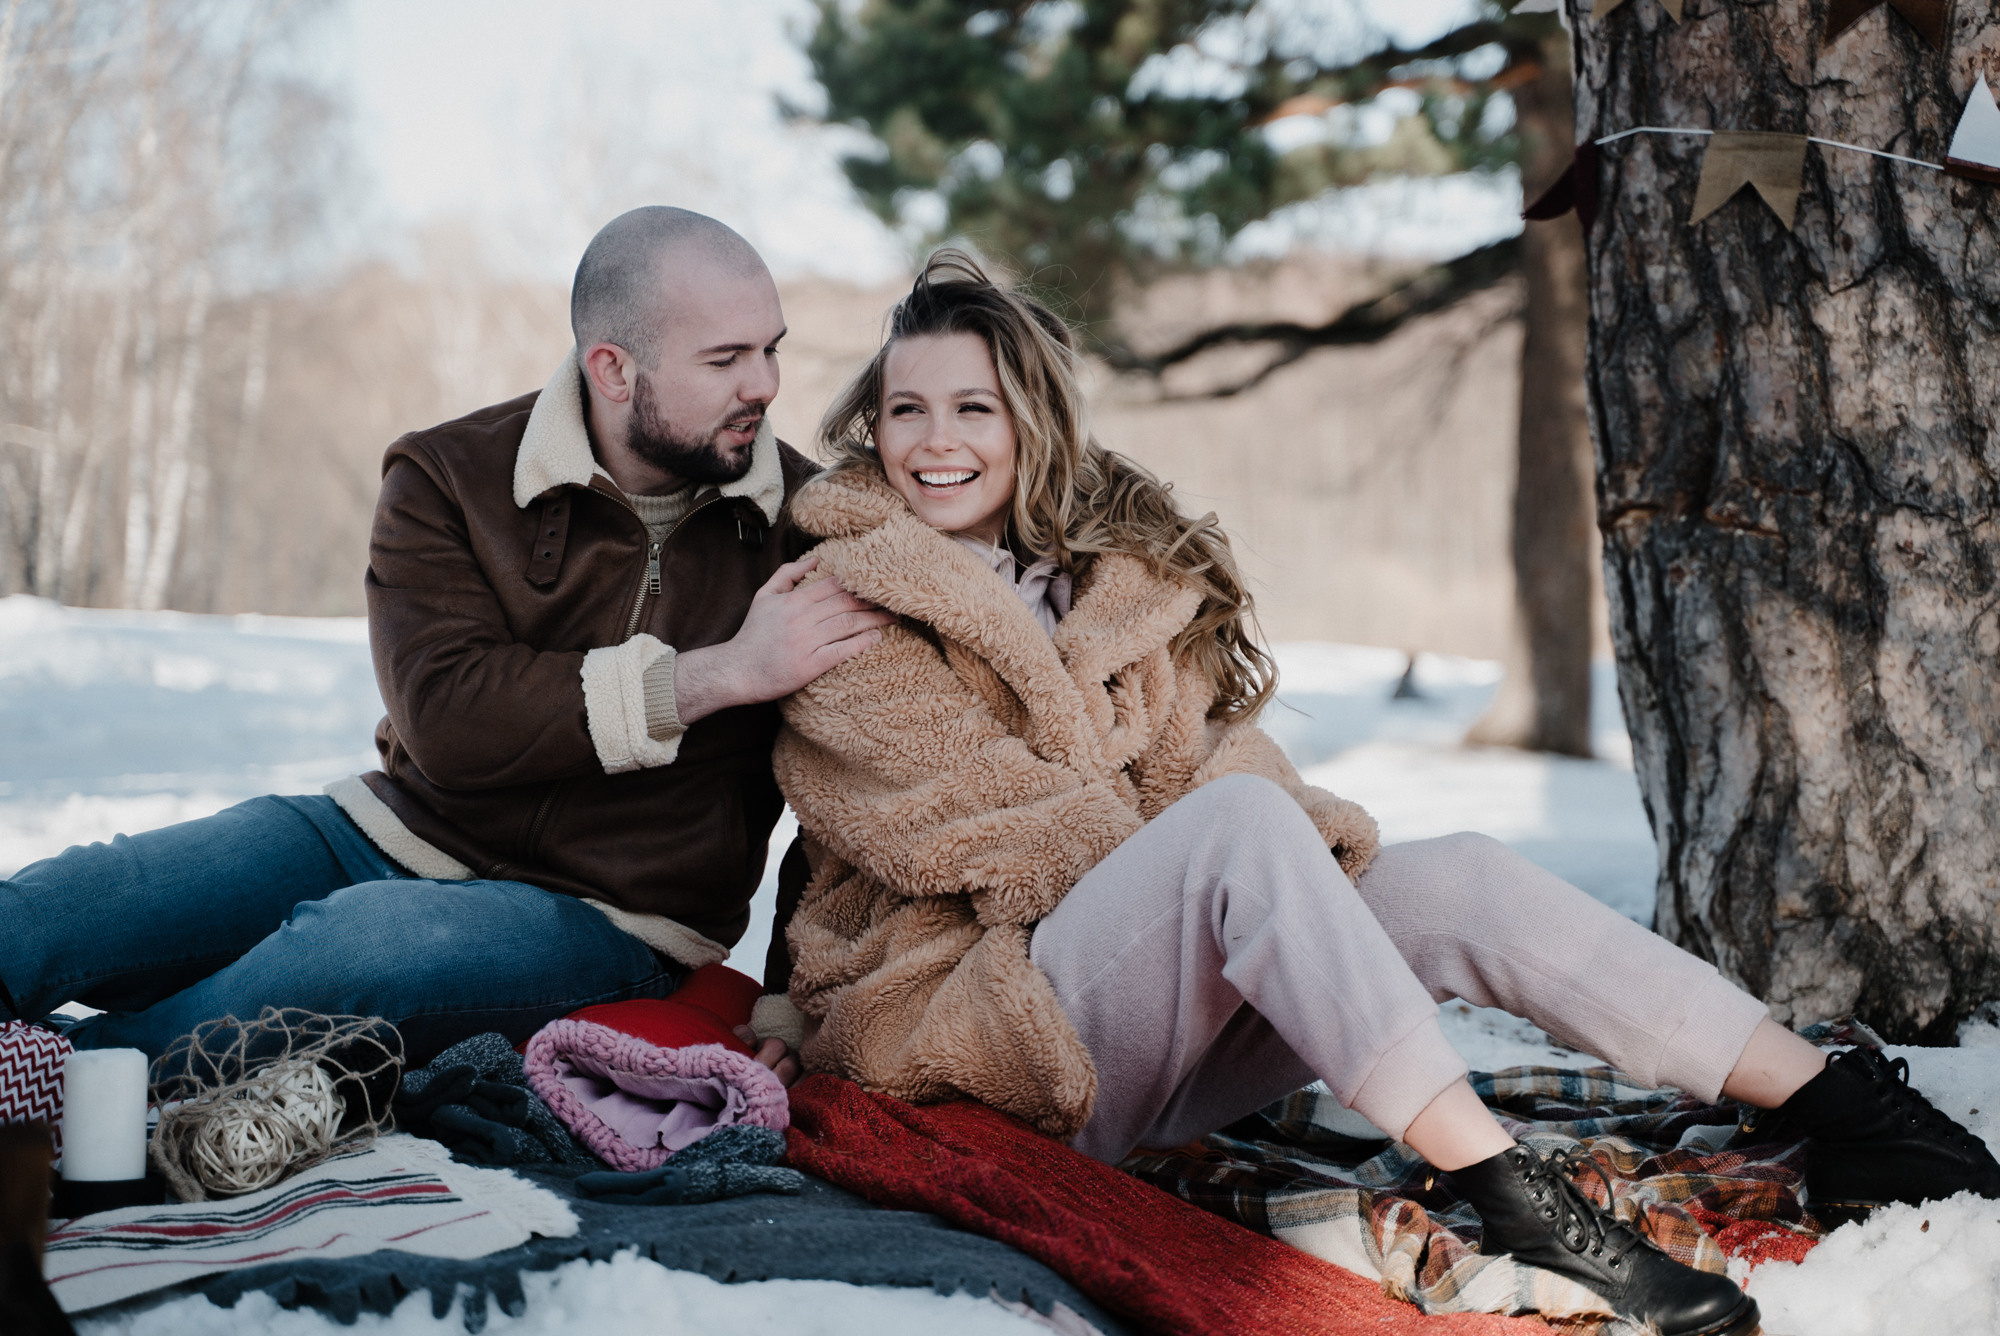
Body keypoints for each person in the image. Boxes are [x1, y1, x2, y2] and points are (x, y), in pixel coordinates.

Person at [766, 252, 2000, 1336]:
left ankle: (1845, 1107)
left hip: (1134, 1020)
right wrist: (1233, 855)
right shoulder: (842, 601)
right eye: (904, 409)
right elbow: (988, 832)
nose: (935, 440)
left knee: (1447, 872)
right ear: (867, 425)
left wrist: (1270, 861)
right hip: (968, 1030)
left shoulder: (1106, 587)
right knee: (1243, 834)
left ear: (1031, 421)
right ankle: (1516, 1197)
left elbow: (1228, 758)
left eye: (972, 406)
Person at [0, 207, 889, 1073]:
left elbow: (842, 804)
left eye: (771, 347)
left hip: (616, 919)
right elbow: (450, 718)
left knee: (352, 954)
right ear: (613, 370)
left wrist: (789, 997)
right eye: (726, 358)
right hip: (386, 831)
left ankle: (70, 1084)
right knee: (67, 909)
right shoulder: (447, 476)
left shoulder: (810, 533)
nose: (766, 385)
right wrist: (724, 674)